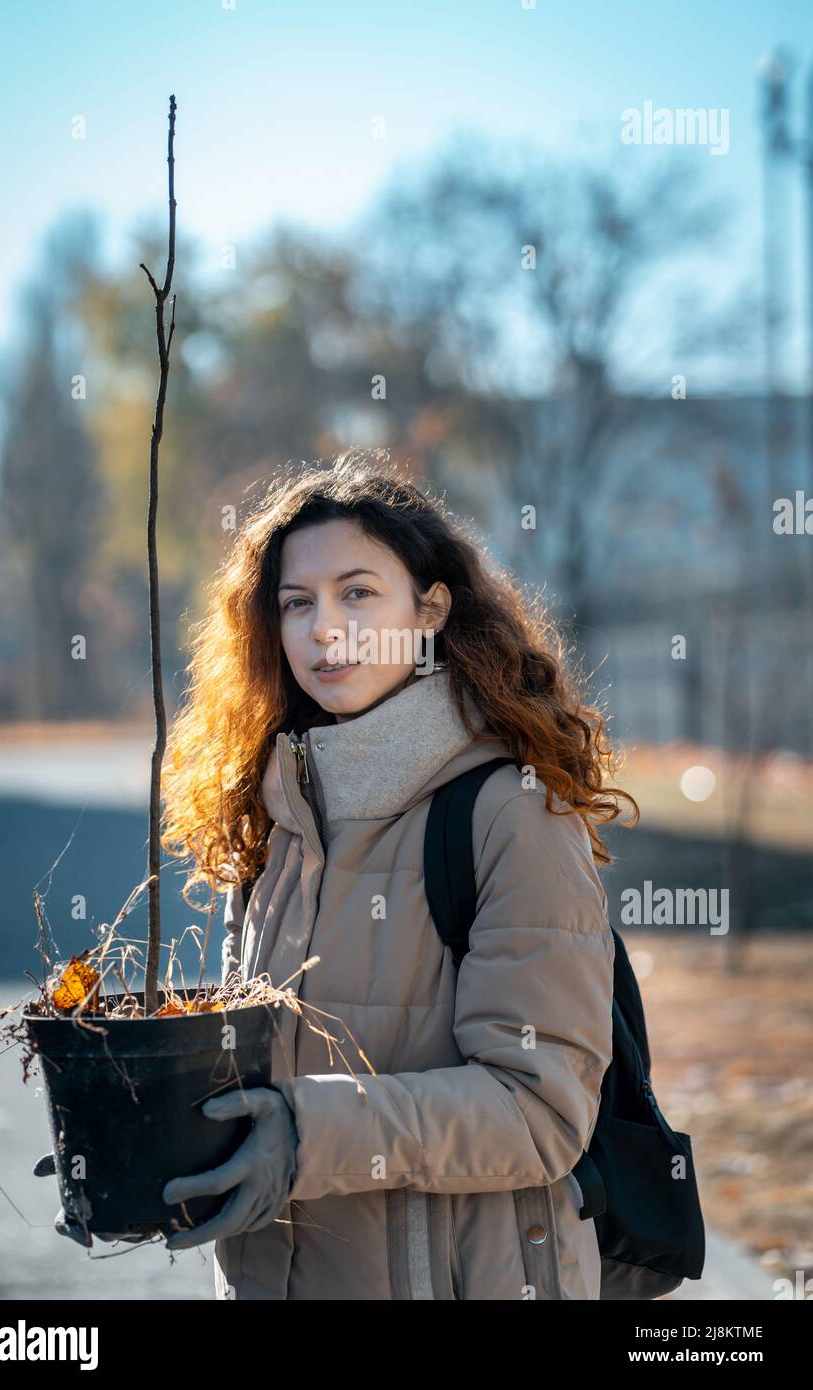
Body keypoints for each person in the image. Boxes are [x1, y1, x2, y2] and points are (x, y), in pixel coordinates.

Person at [60, 448, 638, 1297]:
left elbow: (541, 1111)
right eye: (298, 603)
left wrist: (306, 1135)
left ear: (431, 608)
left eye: (358, 592)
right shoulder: (279, 812)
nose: (324, 629)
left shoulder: (510, 809)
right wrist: (133, 1130)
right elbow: (259, 1077)